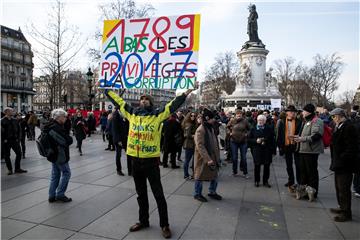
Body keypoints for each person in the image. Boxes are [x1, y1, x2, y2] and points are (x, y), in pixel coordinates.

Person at [105, 87, 196, 239]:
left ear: (150, 102)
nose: (143, 100)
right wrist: (107, 91)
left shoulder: (158, 114)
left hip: (150, 162)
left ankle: (165, 224)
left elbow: (172, 106)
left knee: (158, 194)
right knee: (141, 194)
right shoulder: (132, 114)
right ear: (139, 103)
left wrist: (185, 94)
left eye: (146, 99)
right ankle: (143, 221)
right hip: (135, 160)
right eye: (141, 99)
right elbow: (119, 102)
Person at [328, 108, 358, 222]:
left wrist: (341, 160)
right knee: (338, 187)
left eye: (334, 116)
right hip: (338, 163)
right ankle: (341, 207)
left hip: (345, 165)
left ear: (340, 116)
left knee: (344, 189)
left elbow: (351, 148)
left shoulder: (349, 127)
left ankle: (346, 213)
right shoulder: (339, 126)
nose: (333, 119)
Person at [294, 103, 324, 201]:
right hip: (303, 150)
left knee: (312, 173)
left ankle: (313, 192)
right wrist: (297, 137)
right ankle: (305, 191)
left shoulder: (317, 121)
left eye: (304, 111)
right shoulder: (306, 121)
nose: (302, 112)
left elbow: (316, 136)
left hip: (311, 151)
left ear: (308, 112)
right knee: (303, 172)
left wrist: (302, 139)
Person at [193, 108, 222, 202]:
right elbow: (200, 146)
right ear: (207, 118)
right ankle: (197, 194)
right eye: (212, 118)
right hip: (203, 158)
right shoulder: (201, 130)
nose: (214, 120)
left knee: (215, 175)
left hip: (213, 156)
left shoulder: (210, 127)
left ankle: (212, 192)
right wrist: (208, 159)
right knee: (199, 176)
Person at [45, 108, 73, 203]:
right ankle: (60, 194)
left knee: (55, 175)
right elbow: (66, 141)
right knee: (66, 173)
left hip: (53, 154)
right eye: (64, 116)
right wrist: (69, 138)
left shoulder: (50, 125)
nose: (65, 118)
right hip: (59, 155)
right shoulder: (56, 128)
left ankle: (51, 195)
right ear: (59, 117)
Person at [277, 105, 302, 187]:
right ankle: (290, 180)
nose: (292, 113)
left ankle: (299, 181)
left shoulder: (299, 121)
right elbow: (279, 134)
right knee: (289, 165)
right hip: (286, 145)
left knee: (298, 165)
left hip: (296, 145)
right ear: (287, 113)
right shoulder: (282, 121)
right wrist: (280, 146)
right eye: (290, 112)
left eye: (293, 112)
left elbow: (301, 133)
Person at [248, 114, 275, 187]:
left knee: (267, 166)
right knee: (257, 166)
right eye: (259, 120)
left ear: (265, 121)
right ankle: (257, 181)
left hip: (267, 150)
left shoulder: (268, 128)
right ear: (257, 120)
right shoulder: (253, 128)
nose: (260, 122)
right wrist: (255, 141)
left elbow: (272, 139)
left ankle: (265, 181)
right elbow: (249, 139)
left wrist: (273, 150)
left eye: (262, 120)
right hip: (257, 150)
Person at [1, 107, 27, 175]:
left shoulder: (15, 120)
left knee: (19, 153)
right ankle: (10, 169)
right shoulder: (2, 121)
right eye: (11, 111)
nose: (13, 112)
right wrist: (4, 140)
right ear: (6, 112)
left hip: (15, 140)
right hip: (6, 141)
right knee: (7, 155)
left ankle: (17, 168)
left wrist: (18, 138)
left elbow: (19, 130)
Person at [227, 109, 250, 177]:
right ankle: (234, 172)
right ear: (235, 115)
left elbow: (250, 129)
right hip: (234, 141)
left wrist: (246, 134)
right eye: (237, 115)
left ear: (242, 115)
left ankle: (245, 173)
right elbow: (227, 127)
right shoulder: (232, 120)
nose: (238, 117)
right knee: (234, 158)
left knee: (244, 158)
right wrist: (230, 133)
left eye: (240, 116)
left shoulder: (245, 121)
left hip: (243, 141)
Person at [182, 112, 198, 179]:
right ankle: (186, 174)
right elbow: (186, 135)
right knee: (187, 160)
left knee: (193, 160)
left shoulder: (192, 123)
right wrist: (193, 135)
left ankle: (193, 174)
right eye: (191, 116)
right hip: (189, 144)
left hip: (192, 144)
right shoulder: (189, 124)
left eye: (194, 116)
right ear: (189, 116)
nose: (193, 117)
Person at [111, 107, 126, 176]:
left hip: (124, 137)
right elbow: (115, 129)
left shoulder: (122, 114)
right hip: (119, 139)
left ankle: (130, 169)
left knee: (128, 154)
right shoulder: (116, 115)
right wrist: (118, 140)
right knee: (118, 155)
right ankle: (118, 170)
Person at [349, 105, 360, 198]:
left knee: (357, 170)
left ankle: (356, 187)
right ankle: (357, 188)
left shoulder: (354, 122)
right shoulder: (356, 123)